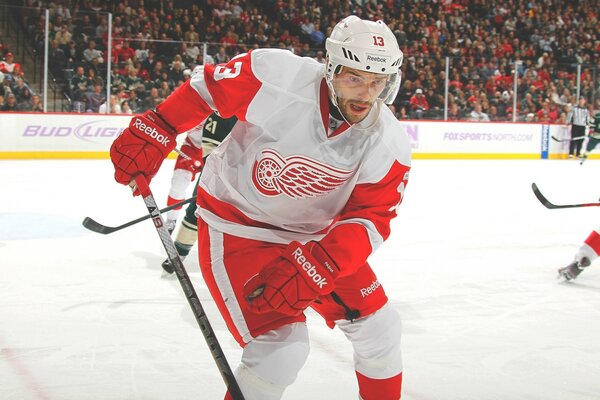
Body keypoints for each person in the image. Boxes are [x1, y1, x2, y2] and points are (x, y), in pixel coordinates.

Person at [109, 15, 410, 400]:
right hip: (239, 229)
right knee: (282, 350)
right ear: (330, 67)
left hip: (316, 243)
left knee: (382, 331)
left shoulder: (389, 141)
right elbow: (208, 90)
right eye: (354, 78)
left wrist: (323, 263)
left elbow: (370, 219)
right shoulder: (277, 75)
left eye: (378, 82)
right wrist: (160, 124)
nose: (366, 95)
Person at [161, 111, 238, 275]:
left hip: (238, 166)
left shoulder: (249, 108)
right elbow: (211, 151)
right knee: (188, 194)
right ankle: (177, 247)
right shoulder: (216, 109)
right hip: (201, 152)